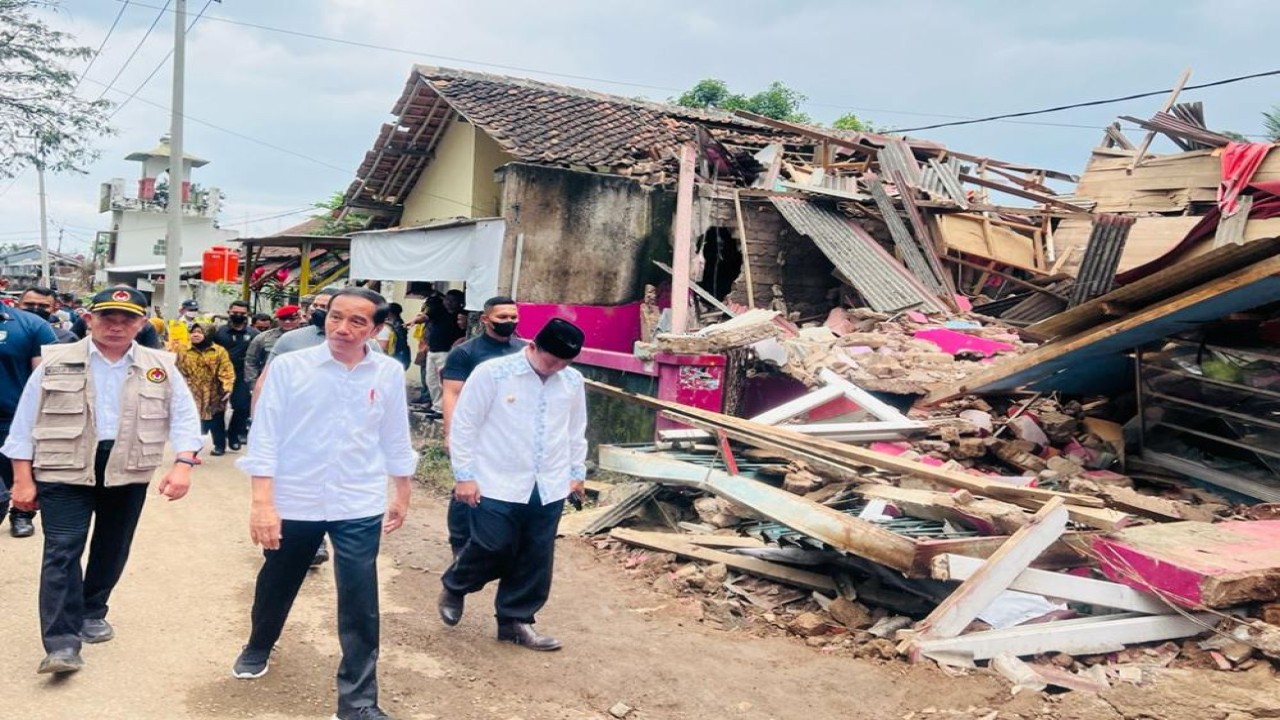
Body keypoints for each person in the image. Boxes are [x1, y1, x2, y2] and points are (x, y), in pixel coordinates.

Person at [233, 288, 416, 720]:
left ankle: (357, 702)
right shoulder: (290, 366)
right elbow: (266, 435)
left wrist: (402, 492)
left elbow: (395, 434)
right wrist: (262, 503)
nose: (343, 329)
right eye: (336, 317)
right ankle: (259, 643)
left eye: (357, 322)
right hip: (296, 497)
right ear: (323, 317)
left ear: (375, 328)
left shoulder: (387, 372)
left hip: (358, 499)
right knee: (279, 578)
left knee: (359, 597)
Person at [0, 286, 201, 674]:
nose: (117, 325)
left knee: (112, 546)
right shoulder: (55, 362)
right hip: (64, 467)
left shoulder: (160, 365)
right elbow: (24, 424)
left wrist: (183, 465)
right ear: (89, 319)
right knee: (62, 550)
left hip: (127, 466)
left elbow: (185, 418)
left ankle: (93, 609)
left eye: (128, 318)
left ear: (142, 323)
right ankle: (61, 644)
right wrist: (22, 480)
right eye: (108, 316)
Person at [438, 318, 587, 652]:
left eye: (565, 363)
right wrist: (464, 475)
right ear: (532, 347)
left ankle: (515, 620)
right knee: (494, 545)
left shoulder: (571, 381)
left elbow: (576, 429)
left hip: (549, 480)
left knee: (536, 553)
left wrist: (576, 474)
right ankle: (456, 584)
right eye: (552, 361)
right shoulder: (493, 374)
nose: (557, 368)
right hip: (495, 477)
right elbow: (465, 424)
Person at [439, 296, 524, 556]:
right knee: (467, 487)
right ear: (485, 319)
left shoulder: (525, 351)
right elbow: (452, 394)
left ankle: (501, 545)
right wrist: (451, 434)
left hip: (510, 434)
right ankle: (460, 542)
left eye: (513, 317)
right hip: (474, 432)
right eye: (502, 318)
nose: (509, 322)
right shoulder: (466, 353)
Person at [0, 297, 57, 539]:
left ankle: (21, 515)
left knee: (17, 475)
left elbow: (46, 380)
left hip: (11, 419)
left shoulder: (31, 325)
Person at [176, 324, 236, 456]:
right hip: (192, 391)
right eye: (193, 332)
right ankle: (192, 449)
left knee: (216, 420)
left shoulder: (219, 351)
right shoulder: (183, 350)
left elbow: (226, 370)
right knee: (195, 421)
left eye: (199, 332)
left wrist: (227, 387)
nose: (195, 335)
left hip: (214, 391)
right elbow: (176, 369)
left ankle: (219, 445)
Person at [211, 300, 259, 450]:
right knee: (217, 410)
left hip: (242, 375)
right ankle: (219, 443)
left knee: (242, 407)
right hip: (219, 375)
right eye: (235, 312)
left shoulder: (254, 334)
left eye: (242, 313)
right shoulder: (218, 332)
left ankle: (234, 435)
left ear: (248, 314)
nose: (238, 315)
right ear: (228, 312)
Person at [421, 292, 465, 412]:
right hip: (433, 350)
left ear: (460, 302)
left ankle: (445, 409)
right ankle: (437, 406)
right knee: (431, 381)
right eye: (447, 300)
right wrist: (417, 320)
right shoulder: (439, 311)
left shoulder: (462, 315)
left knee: (444, 382)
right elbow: (426, 317)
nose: (449, 303)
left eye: (453, 300)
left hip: (447, 352)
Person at [244, 304, 300, 386]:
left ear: (299, 319)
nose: (287, 322)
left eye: (292, 319)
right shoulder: (263, 338)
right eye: (283, 319)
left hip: (299, 383)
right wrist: (254, 386)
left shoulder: (308, 337)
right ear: (277, 320)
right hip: (270, 383)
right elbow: (250, 362)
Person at [375, 303, 411, 369]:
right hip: (399, 352)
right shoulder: (398, 322)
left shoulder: (396, 325)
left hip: (397, 353)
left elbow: (388, 344)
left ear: (390, 312)